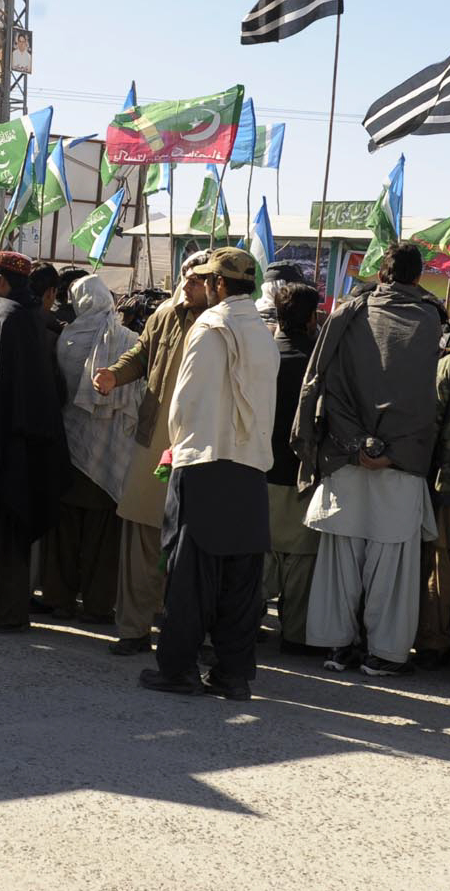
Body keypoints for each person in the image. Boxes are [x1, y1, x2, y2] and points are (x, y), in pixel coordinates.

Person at [291, 242, 444, 678]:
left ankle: (338, 647)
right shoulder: (432, 319)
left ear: (382, 274)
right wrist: (391, 449)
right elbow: (424, 400)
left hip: (346, 456)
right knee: (391, 567)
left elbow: (325, 384)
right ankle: (385, 654)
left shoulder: (349, 314)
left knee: (341, 559)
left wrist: (357, 442)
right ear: (418, 278)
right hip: (402, 462)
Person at [140, 248, 278, 700]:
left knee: (190, 575)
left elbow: (187, 399)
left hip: (204, 461)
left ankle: (178, 670)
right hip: (251, 466)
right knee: (241, 581)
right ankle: (233, 675)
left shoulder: (210, 325)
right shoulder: (263, 331)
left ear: (218, 284)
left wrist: (178, 446)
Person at [95, 250, 211, 656]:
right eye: (188, 275)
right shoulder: (164, 314)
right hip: (155, 440)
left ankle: (190, 632)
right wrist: (114, 374)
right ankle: (134, 629)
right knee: (142, 533)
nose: (192, 282)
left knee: (194, 543)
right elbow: (142, 355)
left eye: (201, 277)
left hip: (203, 444)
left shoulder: (223, 323)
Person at [0, 252, 72, 631]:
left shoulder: (9, 317)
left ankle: (6, 613)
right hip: (15, 442)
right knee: (4, 530)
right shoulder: (24, 316)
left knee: (8, 530)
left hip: (9, 444)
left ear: (2, 280)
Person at [40, 276, 138, 621]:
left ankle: (59, 597)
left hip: (70, 448)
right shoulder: (129, 340)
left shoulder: (67, 338)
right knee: (102, 537)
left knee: (64, 531)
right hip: (110, 451)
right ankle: (98, 605)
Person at [265, 284, 323, 654]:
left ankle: (245, 623)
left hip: (263, 471)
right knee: (301, 560)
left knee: (260, 554)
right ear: (312, 317)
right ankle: (296, 635)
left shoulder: (265, 358)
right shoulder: (321, 365)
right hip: (306, 475)